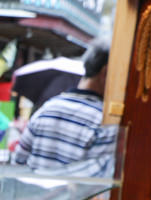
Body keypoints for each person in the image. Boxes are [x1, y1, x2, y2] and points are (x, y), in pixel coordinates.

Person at [12, 41, 113, 172]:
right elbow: (97, 182)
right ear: (105, 72)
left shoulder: (47, 109)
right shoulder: (104, 121)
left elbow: (19, 161)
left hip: (34, 191)